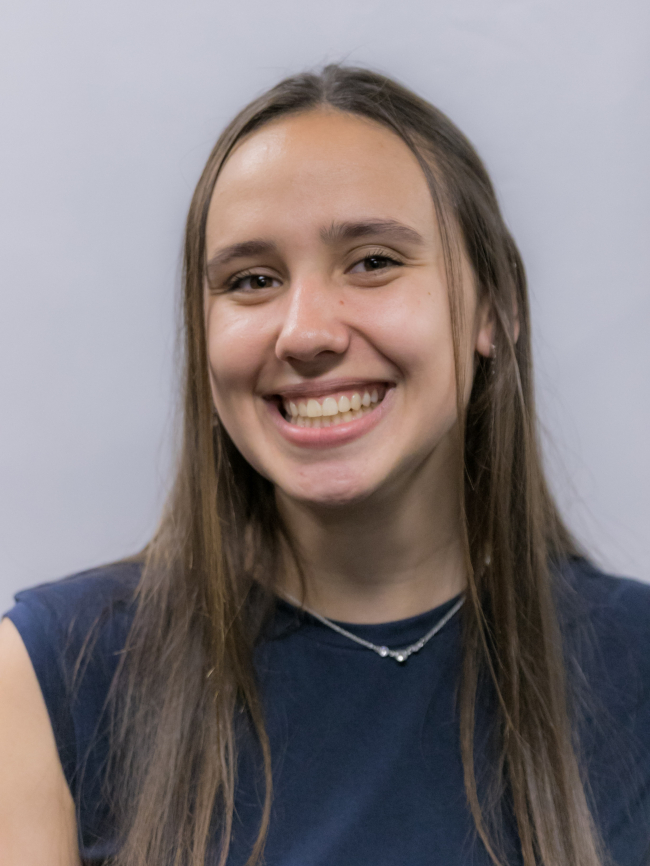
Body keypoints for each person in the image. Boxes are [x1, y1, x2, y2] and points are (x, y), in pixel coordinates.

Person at [0, 64, 648, 866]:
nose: (305, 333)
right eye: (252, 280)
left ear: (496, 309)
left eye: (373, 262)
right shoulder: (53, 675)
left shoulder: (639, 663)